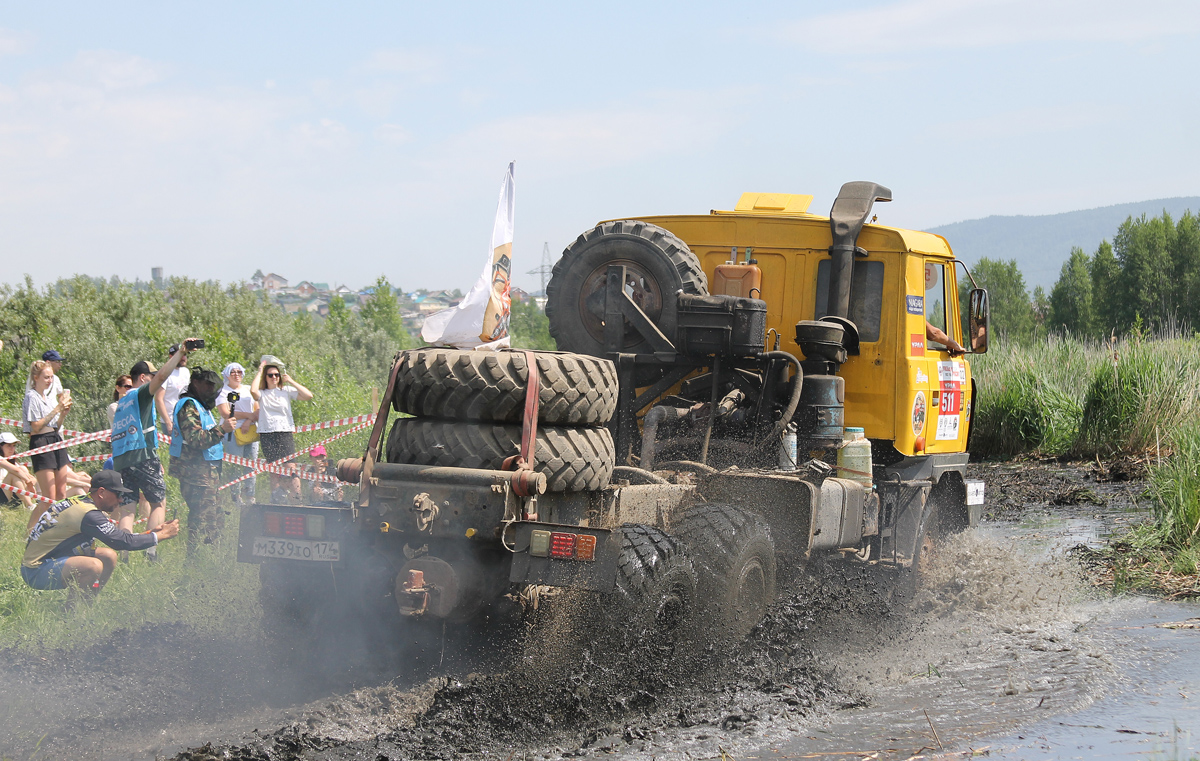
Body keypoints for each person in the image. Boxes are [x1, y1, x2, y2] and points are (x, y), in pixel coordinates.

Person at [21, 470, 180, 597]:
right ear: (102, 492)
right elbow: (122, 542)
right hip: (35, 570)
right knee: (93, 566)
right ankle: (72, 615)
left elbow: (119, 538)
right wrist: (159, 536)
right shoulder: (88, 514)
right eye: (118, 494)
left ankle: (87, 601)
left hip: (50, 558)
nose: (120, 500)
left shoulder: (82, 501)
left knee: (108, 556)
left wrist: (149, 533)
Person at [110, 342, 191, 558]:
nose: (155, 379)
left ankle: (124, 555)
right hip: (142, 454)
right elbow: (162, 376)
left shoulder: (123, 400)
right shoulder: (141, 394)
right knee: (158, 503)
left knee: (127, 508)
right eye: (151, 376)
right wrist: (180, 354)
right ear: (143, 378)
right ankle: (150, 551)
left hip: (121, 459)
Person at [169, 367, 233, 554]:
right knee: (203, 521)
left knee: (214, 518)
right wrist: (222, 429)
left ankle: (209, 560)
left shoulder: (199, 406)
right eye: (207, 386)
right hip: (195, 474)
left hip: (205, 473)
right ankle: (197, 563)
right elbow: (196, 439)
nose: (211, 390)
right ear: (196, 384)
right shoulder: (189, 405)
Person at [250, 359, 314, 501]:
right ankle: (277, 499)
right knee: (273, 469)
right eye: (270, 375)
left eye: (276, 375)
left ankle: (297, 497)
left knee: (290, 467)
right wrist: (260, 370)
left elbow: (308, 395)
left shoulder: (285, 391)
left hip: (284, 432)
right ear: (265, 378)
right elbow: (253, 391)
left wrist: (291, 380)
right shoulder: (262, 393)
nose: (274, 378)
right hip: (267, 433)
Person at [23, 360, 75, 501]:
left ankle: (57, 523)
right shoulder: (31, 396)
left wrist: (62, 414)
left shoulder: (48, 398)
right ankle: (33, 524)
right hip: (40, 442)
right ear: (36, 378)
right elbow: (36, 426)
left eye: (51, 377)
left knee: (61, 494)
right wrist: (57, 409)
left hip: (55, 439)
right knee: (49, 498)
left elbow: (54, 427)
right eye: (46, 377)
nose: (50, 380)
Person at [216, 362, 258, 505]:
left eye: (239, 372)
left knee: (251, 465)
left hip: (250, 430)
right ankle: (236, 497)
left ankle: (250, 496)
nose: (236, 374)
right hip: (232, 433)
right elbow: (226, 412)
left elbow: (257, 410)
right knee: (236, 465)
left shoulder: (247, 390)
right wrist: (249, 415)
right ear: (227, 374)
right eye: (233, 372)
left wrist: (248, 421)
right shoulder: (223, 391)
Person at [156, 344, 191, 438]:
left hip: (185, 419)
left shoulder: (186, 372)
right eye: (181, 355)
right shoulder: (165, 373)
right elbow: (158, 399)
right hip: (171, 421)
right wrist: (168, 422)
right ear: (171, 356)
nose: (184, 358)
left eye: (185, 355)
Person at [0, 431, 39, 510]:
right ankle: (30, 505)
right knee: (13, 474)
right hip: (2, 497)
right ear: (1, 446)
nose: (12, 449)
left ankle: (37, 502)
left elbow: (33, 479)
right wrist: (28, 482)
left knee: (23, 469)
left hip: (11, 495)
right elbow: (16, 471)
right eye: (9, 445)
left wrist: (31, 482)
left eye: (14, 446)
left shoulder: (14, 462)